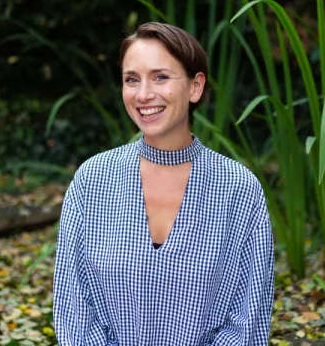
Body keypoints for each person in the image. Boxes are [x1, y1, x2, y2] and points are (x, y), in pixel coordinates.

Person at [53, 22, 274, 345]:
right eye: (132, 80)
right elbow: (75, 310)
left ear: (195, 87)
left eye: (160, 77)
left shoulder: (238, 190)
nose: (143, 95)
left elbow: (247, 319)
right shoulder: (92, 181)